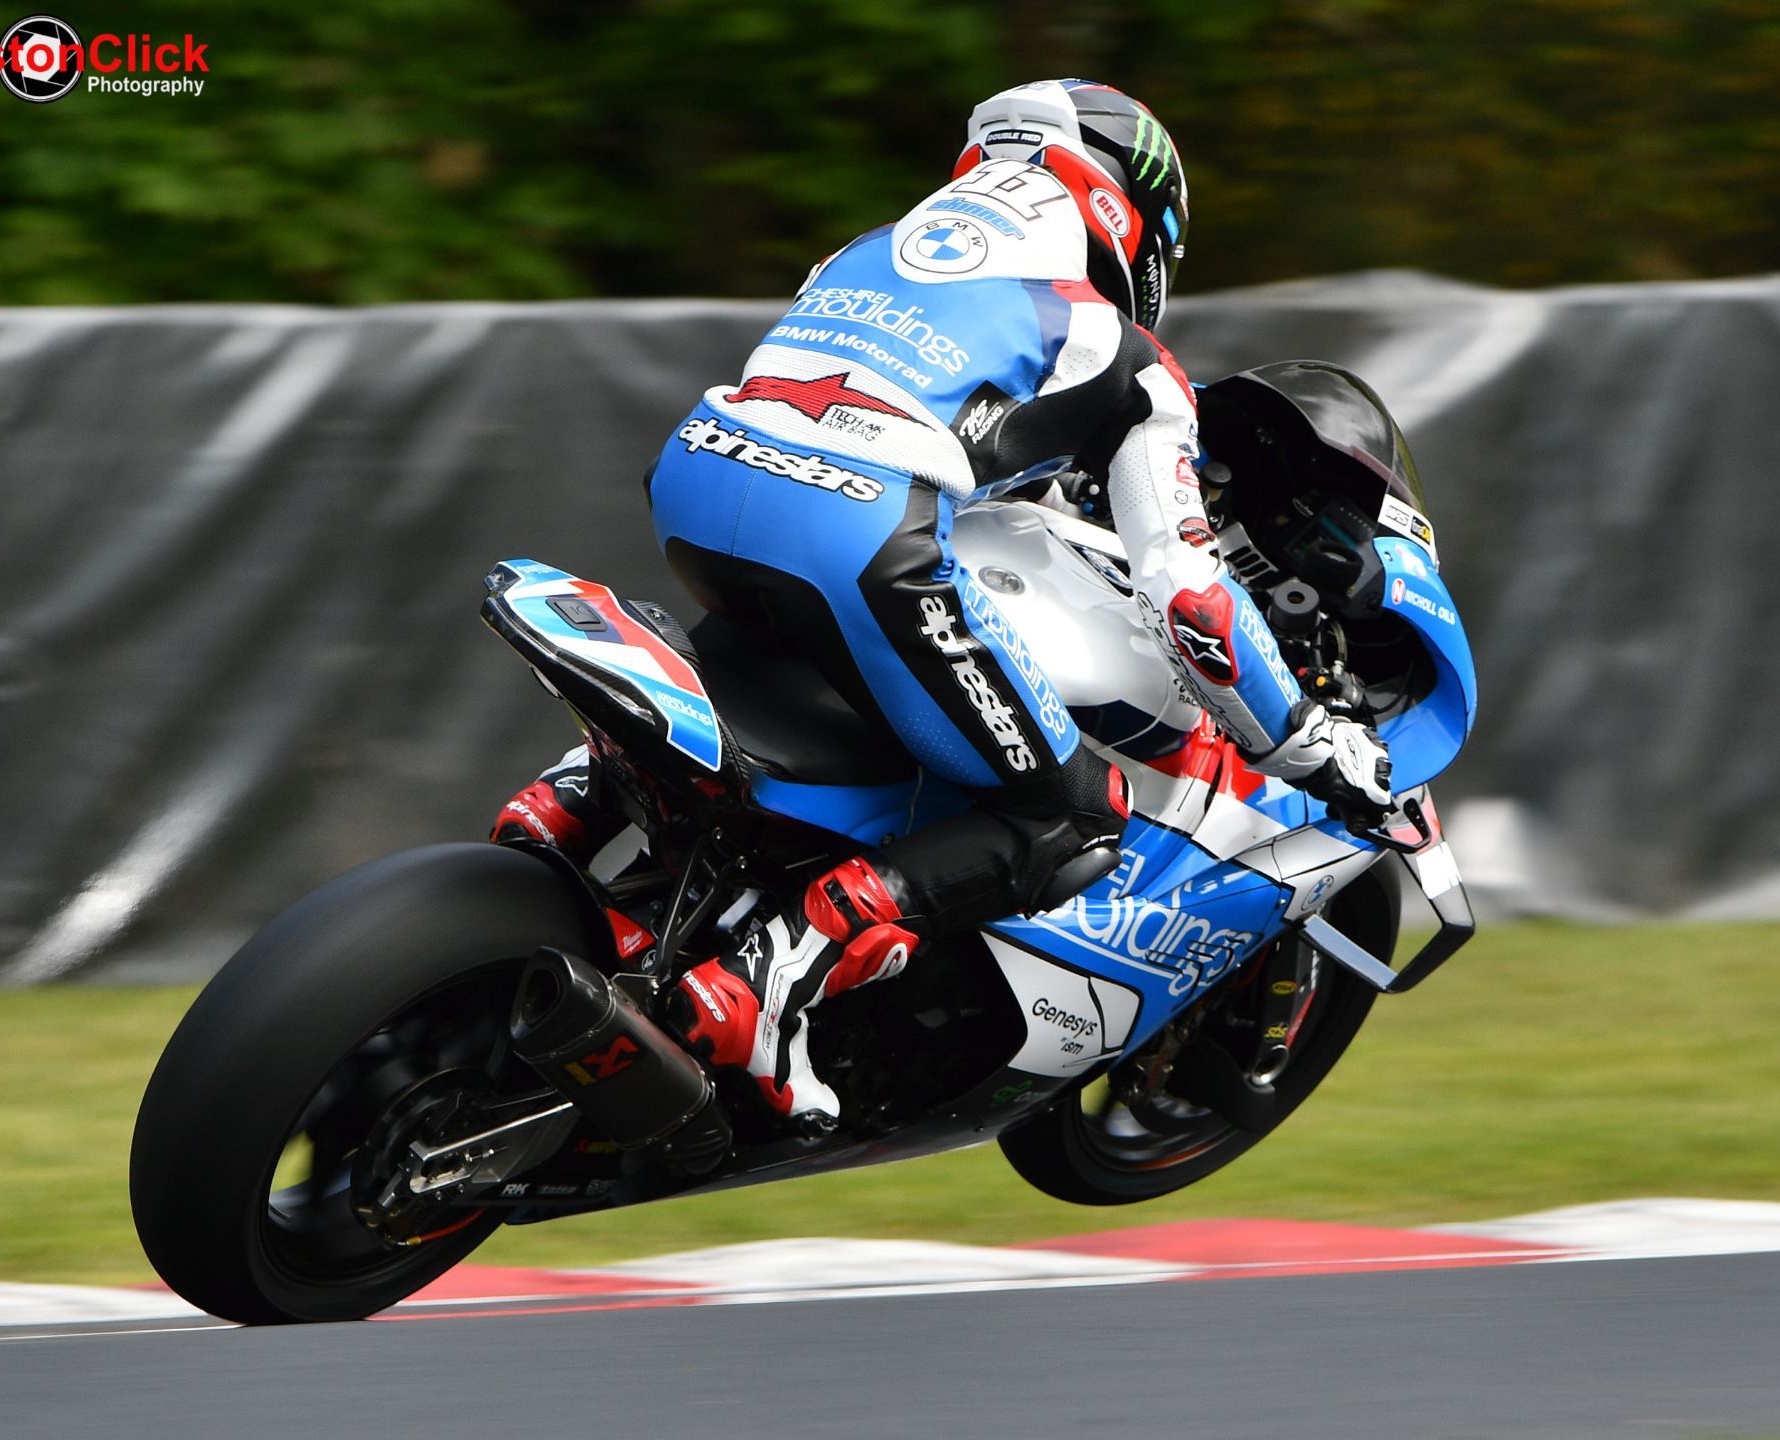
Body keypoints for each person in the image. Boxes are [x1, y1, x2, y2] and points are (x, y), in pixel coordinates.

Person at [495, 79, 1394, 1130]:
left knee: (760, 675)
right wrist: (1299, 740)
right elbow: (1189, 594)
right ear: (1134, 224)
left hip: (697, 484)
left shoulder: (863, 253)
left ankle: (562, 807)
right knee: (1066, 814)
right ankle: (773, 981)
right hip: (859, 530)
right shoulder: (1123, 353)